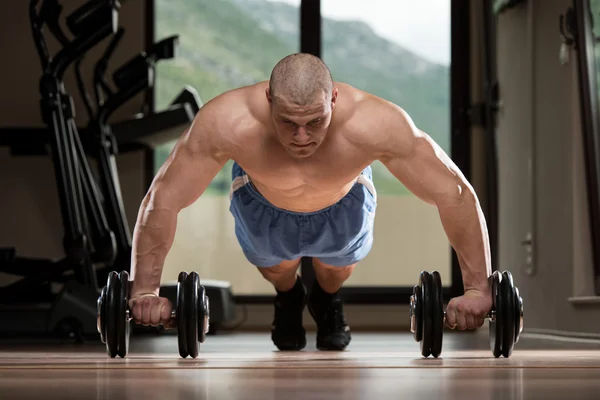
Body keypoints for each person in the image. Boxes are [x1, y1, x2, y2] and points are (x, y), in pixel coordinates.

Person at [128, 53, 493, 351]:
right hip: (262, 201)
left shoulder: (374, 122)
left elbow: (454, 192)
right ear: (269, 100)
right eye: (288, 123)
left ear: (333, 97)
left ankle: (326, 300)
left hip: (344, 201)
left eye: (315, 121)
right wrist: (144, 289)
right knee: (278, 269)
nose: (302, 137)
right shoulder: (228, 121)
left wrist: (478, 289)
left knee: (336, 269)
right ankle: (288, 298)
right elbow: (164, 197)